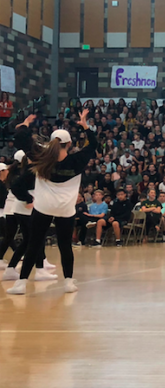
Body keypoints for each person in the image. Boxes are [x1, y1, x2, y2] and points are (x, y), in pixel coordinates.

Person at [9, 110, 96, 295]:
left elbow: (20, 139)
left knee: (34, 243)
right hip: (65, 209)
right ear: (70, 143)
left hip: (43, 207)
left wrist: (25, 123)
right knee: (65, 245)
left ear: (50, 141)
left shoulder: (40, 157)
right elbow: (93, 144)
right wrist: (85, 126)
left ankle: (21, 283)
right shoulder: (78, 160)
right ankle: (68, 283)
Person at [2, 146, 53, 282]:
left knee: (27, 241)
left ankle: (11, 269)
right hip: (26, 210)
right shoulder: (32, 171)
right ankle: (40, 269)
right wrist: (28, 199)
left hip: (22, 210)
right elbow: (16, 187)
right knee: (37, 238)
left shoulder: (33, 169)